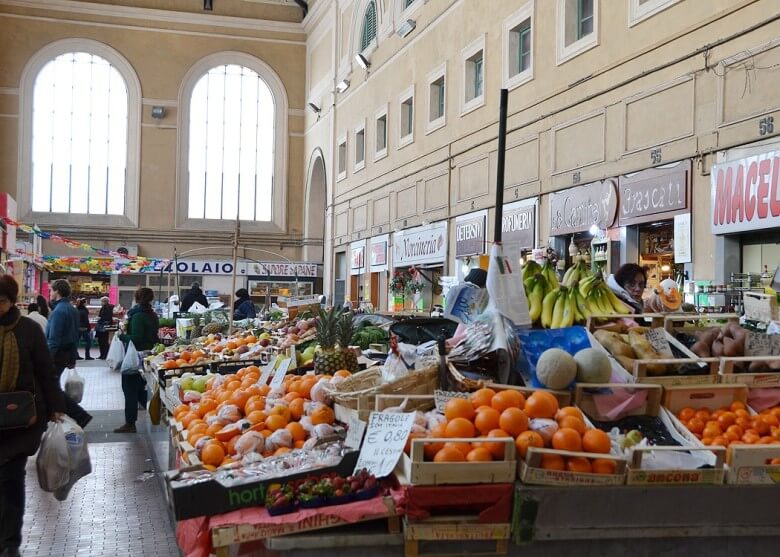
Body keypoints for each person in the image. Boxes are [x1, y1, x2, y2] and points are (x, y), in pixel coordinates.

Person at [0, 276, 66, 557]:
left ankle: (10, 541)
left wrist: (55, 406)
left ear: (11, 301)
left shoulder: (28, 329)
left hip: (20, 420)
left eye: (1, 301)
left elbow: (45, 371)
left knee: (11, 480)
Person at [46, 279, 92, 429]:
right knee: (53, 387)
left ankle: (79, 415)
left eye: (52, 290)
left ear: (57, 291)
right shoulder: (71, 309)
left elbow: (54, 339)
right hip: (65, 354)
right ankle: (68, 415)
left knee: (51, 388)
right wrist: (72, 357)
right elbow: (73, 336)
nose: (50, 293)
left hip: (57, 354)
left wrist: (46, 360)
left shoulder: (59, 311)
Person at [114, 287, 159, 433]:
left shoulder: (138, 316)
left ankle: (130, 423)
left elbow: (137, 338)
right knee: (140, 385)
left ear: (137, 298)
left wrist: (123, 336)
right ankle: (146, 409)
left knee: (129, 389)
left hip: (136, 356)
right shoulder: (152, 314)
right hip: (148, 355)